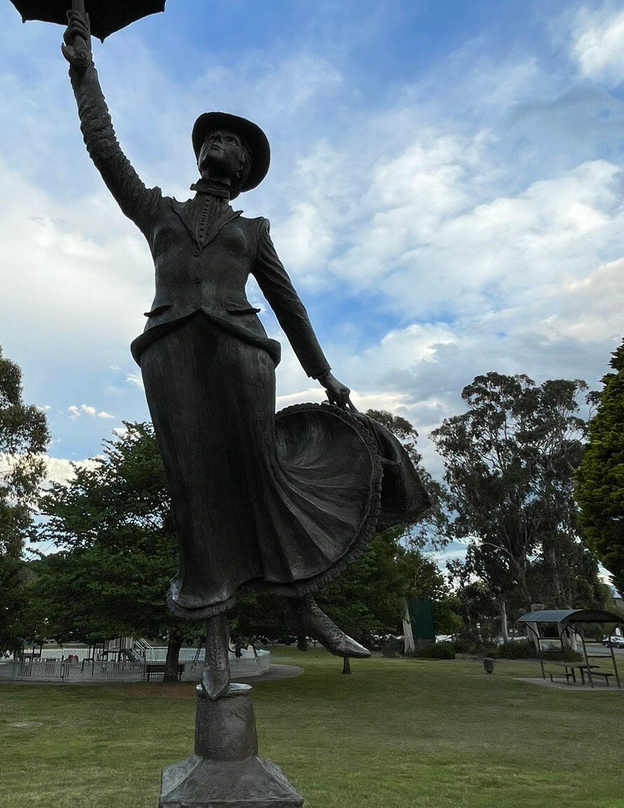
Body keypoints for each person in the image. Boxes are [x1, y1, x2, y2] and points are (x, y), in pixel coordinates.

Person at [61, 12, 427, 699]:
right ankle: (217, 655)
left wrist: (323, 373)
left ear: (246, 168)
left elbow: (289, 304)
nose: (221, 142)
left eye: (232, 141)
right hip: (170, 355)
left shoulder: (253, 229)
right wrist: (84, 72)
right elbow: (105, 149)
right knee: (194, 496)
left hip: (242, 356)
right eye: (214, 136)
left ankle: (301, 601)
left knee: (258, 475)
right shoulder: (157, 211)